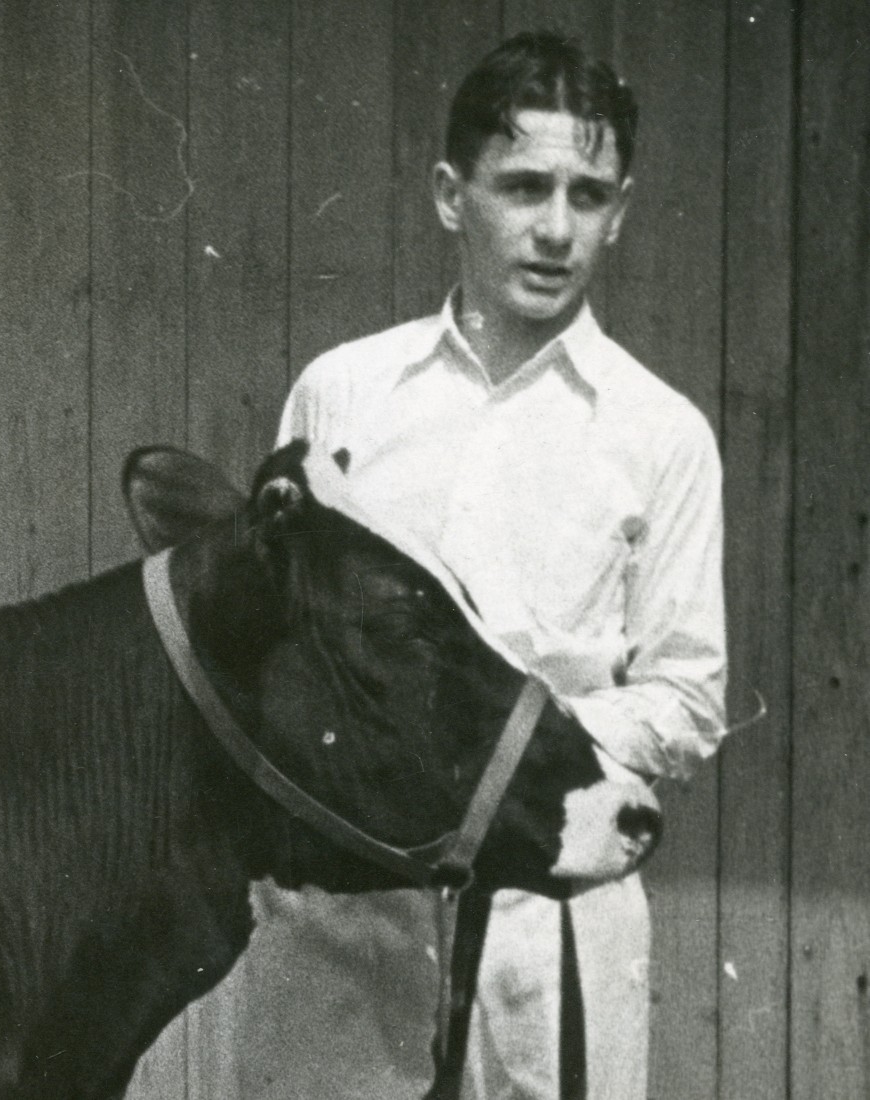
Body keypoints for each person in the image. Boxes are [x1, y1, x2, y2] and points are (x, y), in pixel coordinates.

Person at [207, 30, 729, 1100]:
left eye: (585, 195)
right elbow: (272, 651)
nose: (553, 228)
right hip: (343, 927)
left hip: (549, 930)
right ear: (451, 195)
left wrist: (504, 748)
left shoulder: (658, 433)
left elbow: (687, 695)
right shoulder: (341, 396)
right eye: (521, 185)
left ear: (618, 212)